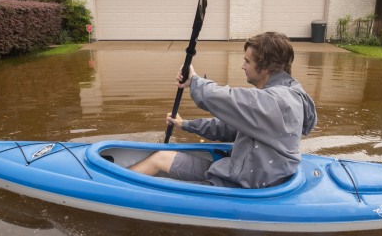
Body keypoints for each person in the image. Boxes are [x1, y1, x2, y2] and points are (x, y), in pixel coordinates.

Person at [130, 31, 317, 188]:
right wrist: (186, 124)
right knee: (160, 157)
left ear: (265, 67)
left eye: (247, 61)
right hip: (239, 172)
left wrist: (194, 81)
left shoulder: (278, 102)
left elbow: (226, 98)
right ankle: (121, 181)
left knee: (161, 172)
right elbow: (229, 128)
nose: (243, 66)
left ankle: (116, 189)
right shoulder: (284, 96)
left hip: (241, 184)